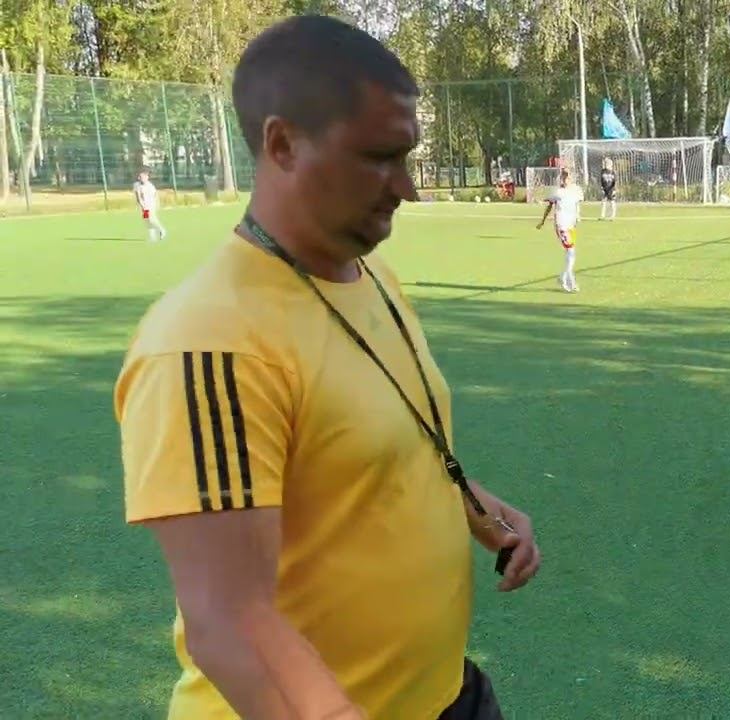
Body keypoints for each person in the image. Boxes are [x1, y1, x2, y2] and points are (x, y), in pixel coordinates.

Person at [113, 15, 540, 720]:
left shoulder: (371, 278)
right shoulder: (208, 342)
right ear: (282, 144)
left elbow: (390, 441)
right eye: (379, 157)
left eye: (408, 156)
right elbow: (228, 619)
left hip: (446, 693)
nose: (407, 187)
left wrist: (478, 508)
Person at [537, 167, 583, 293]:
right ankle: (568, 280)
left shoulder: (576, 191)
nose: (566, 179)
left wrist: (578, 216)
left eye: (568, 177)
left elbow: (577, 205)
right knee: (571, 252)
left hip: (571, 225)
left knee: (570, 253)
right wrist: (542, 221)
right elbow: (549, 205)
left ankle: (563, 277)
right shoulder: (558, 192)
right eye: (564, 177)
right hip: (561, 225)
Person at [133, 167, 167, 242]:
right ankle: (152, 236)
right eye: (140, 177)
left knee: (151, 219)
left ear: (147, 177)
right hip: (143, 206)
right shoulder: (136, 185)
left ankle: (161, 230)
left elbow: (155, 195)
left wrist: (157, 203)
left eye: (142, 177)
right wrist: (142, 206)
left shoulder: (150, 186)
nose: (140, 178)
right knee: (146, 220)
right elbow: (138, 197)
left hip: (150, 205)